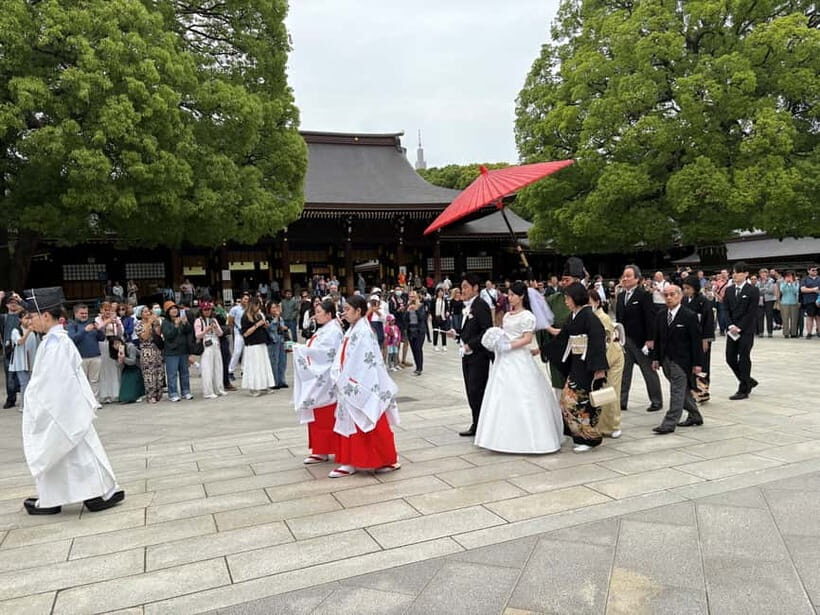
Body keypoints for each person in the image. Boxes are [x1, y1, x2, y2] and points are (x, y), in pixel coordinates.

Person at [20, 287, 124, 515]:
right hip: (63, 410)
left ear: (46, 316)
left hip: (61, 411)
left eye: (32, 316)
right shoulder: (54, 341)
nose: (30, 321)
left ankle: (92, 494)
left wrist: (38, 403)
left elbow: (54, 384)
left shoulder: (56, 344)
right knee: (73, 455)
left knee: (70, 453)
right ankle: (71, 496)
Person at [474, 282, 563, 454]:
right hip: (504, 359)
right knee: (501, 394)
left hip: (519, 356)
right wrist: (497, 340)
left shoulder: (527, 316)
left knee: (525, 395)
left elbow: (527, 339)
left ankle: (531, 438)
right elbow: (504, 332)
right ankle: (499, 437)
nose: (510, 297)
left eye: (513, 294)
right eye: (509, 294)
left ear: (522, 296)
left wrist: (509, 346)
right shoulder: (507, 315)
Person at [328, 295, 400, 478]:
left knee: (370, 418)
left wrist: (348, 378)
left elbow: (365, 361)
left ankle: (385, 459)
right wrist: (338, 372)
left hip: (361, 381)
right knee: (351, 421)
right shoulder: (352, 329)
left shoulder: (364, 331)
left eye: (347, 309)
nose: (344, 313)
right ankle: (349, 460)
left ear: (358, 311)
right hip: (348, 379)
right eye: (343, 309)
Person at [555, 282, 609, 452]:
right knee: (567, 401)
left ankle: (589, 438)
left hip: (588, 365)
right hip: (576, 362)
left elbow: (598, 341)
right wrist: (543, 348)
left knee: (580, 402)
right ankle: (578, 435)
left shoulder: (590, 317)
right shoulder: (573, 316)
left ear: (576, 298)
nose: (566, 301)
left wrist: (599, 368)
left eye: (568, 298)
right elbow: (563, 336)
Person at [292, 298, 345, 465]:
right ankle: (319, 449)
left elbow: (325, 353)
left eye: (319, 312)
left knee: (326, 415)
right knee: (317, 414)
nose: (316, 315)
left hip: (326, 378)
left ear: (329, 314)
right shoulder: (326, 329)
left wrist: (300, 349)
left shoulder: (333, 331)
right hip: (320, 378)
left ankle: (327, 449)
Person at [650, 285, 704, 434]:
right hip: (666, 359)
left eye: (672, 294)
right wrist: (655, 358)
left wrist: (698, 363)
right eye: (666, 295)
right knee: (682, 391)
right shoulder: (661, 315)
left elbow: (696, 341)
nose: (668, 297)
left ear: (680, 296)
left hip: (682, 361)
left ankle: (669, 423)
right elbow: (658, 338)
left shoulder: (689, 316)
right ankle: (695, 415)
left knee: (676, 391)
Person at [450, 274, 493, 437]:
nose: (463, 290)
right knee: (470, 390)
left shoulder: (480, 305)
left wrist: (471, 344)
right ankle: (477, 422)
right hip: (467, 355)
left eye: (466, 287)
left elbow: (486, 331)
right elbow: (469, 329)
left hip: (478, 356)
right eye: (462, 288)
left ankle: (480, 424)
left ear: (475, 288)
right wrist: (457, 334)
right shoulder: (467, 306)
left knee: (477, 390)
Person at [616, 265, 663, 412]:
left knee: (648, 370)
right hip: (625, 339)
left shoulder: (644, 295)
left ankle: (656, 400)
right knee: (624, 372)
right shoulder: (621, 296)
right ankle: (622, 401)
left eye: (629, 276)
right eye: (624, 276)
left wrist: (650, 339)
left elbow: (650, 318)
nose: (625, 278)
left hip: (641, 339)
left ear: (637, 279)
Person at [589, 289, 624, 439]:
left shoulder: (602, 317)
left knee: (612, 391)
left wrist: (601, 365)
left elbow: (606, 342)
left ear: (597, 302)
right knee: (602, 392)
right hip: (602, 357)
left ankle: (613, 425)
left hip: (612, 356)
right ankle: (601, 425)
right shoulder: (592, 316)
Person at [725, 261, 760, 400]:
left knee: (744, 357)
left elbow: (751, 312)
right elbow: (725, 309)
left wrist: (740, 327)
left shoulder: (752, 290)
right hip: (732, 329)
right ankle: (748, 380)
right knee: (730, 357)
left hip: (745, 330)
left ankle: (743, 388)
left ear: (746, 274)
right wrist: (730, 325)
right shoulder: (729, 290)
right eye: (733, 272)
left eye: (738, 272)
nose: (734, 275)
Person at [681, 277, 715, 403]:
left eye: (688, 288)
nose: (685, 291)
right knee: (690, 365)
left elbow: (708, 321)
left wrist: (706, 339)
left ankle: (702, 392)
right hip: (688, 338)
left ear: (695, 288)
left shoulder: (703, 301)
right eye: (684, 288)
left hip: (701, 337)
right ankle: (691, 391)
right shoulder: (683, 300)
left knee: (702, 365)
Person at [67, 303, 106, 403]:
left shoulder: (92, 324)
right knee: (81, 381)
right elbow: (72, 339)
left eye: (86, 313)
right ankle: (83, 402)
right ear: (75, 314)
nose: (84, 315)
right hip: (81, 357)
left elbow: (101, 338)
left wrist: (99, 330)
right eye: (82, 313)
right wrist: (84, 330)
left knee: (95, 380)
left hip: (95, 356)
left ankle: (95, 401)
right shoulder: (72, 325)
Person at [240, 297, 276, 396]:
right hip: (252, 345)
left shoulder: (259, 315)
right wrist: (257, 325)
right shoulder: (245, 317)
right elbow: (245, 333)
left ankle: (265, 385)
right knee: (254, 366)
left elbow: (262, 326)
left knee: (263, 365)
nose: (258, 308)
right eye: (257, 305)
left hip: (261, 343)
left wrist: (264, 325)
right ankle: (254, 387)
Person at [9, 310, 39, 413]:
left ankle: (32, 404)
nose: (29, 321)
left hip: (33, 361)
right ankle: (23, 406)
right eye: (26, 318)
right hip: (21, 362)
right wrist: (28, 332)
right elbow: (20, 342)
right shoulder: (16, 330)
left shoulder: (35, 331)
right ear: (20, 319)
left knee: (34, 384)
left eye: (30, 318)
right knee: (24, 384)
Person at [194, 301, 226, 399]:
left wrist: (216, 328)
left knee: (218, 367)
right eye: (205, 309)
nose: (207, 311)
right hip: (206, 345)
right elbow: (197, 335)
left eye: (209, 309)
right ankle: (208, 391)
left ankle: (219, 389)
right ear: (201, 310)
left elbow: (220, 333)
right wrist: (206, 330)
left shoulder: (214, 320)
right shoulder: (198, 321)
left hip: (215, 344)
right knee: (207, 369)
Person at [161, 302, 192, 402]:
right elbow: (168, 335)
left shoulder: (181, 319)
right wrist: (175, 325)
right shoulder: (165, 323)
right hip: (171, 352)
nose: (174, 310)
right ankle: (173, 393)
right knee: (172, 374)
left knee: (185, 373)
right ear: (167, 311)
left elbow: (188, 331)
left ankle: (186, 391)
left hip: (183, 351)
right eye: (171, 309)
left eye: (175, 308)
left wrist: (186, 323)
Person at [135, 305, 164, 404]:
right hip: (146, 351)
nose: (147, 313)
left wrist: (156, 323)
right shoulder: (138, 324)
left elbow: (159, 334)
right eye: (145, 312)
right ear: (141, 314)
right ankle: (150, 395)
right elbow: (144, 337)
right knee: (149, 374)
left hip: (156, 350)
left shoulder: (154, 322)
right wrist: (149, 323)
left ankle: (158, 393)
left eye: (148, 312)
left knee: (159, 373)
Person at [95, 301, 124, 404]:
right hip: (103, 344)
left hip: (114, 343)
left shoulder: (117, 319)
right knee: (104, 369)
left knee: (114, 368)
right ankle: (105, 394)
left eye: (110, 310)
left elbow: (121, 333)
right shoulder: (97, 320)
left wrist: (118, 324)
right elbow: (98, 329)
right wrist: (107, 321)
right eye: (105, 310)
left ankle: (116, 393)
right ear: (101, 310)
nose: (107, 312)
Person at [1, 293, 24, 409]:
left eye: (16, 303)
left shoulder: (23, 317)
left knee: (24, 375)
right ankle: (11, 398)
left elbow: (31, 309)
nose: (13, 305)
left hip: (22, 349)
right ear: (6, 305)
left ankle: (25, 398)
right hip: (8, 351)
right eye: (11, 303)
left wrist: (20, 299)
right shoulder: (4, 318)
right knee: (9, 377)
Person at [266, 301, 289, 389]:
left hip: (281, 339)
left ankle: (281, 381)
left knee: (282, 361)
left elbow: (283, 326)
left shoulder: (280, 318)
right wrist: (276, 318)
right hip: (273, 340)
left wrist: (284, 327)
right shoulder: (268, 318)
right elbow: (271, 328)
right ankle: (274, 382)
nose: (275, 309)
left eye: (276, 307)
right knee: (274, 361)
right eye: (272, 308)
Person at [114, 337, 144, 404]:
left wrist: (124, 358)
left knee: (133, 380)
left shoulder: (130, 347)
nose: (117, 346)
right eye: (114, 344)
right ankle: (125, 397)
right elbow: (118, 366)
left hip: (136, 367)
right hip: (126, 369)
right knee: (125, 381)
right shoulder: (115, 352)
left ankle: (136, 396)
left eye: (118, 343)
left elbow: (132, 361)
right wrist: (120, 361)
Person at [227, 292, 250, 379]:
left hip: (248, 332)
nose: (246, 301)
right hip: (238, 332)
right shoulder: (235, 309)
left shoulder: (249, 309)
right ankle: (230, 370)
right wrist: (234, 329)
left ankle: (244, 370)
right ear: (241, 299)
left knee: (246, 352)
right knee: (237, 351)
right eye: (245, 299)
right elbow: (230, 321)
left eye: (247, 299)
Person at [406, 289, 428, 375]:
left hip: (419, 331)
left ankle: (419, 368)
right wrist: (407, 311)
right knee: (413, 349)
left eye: (413, 296)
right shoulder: (407, 306)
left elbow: (422, 318)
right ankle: (417, 367)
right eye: (410, 296)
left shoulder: (421, 306)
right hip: (410, 330)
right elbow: (405, 319)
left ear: (417, 297)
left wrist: (416, 309)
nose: (412, 298)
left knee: (418, 349)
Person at [779, 271, 801, 338]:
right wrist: (786, 283)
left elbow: (796, 291)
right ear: (785, 277)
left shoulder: (796, 283)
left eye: (790, 276)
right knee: (785, 319)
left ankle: (793, 333)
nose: (789, 277)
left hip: (794, 302)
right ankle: (786, 333)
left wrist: (792, 283)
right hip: (784, 303)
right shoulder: (782, 283)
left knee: (794, 319)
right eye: (787, 276)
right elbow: (782, 290)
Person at [800, 265, 820, 338]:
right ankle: (809, 333)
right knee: (810, 317)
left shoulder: (819, 278)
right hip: (809, 301)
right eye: (813, 270)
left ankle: (819, 332)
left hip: (819, 301)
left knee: (818, 317)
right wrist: (814, 289)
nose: (815, 271)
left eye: (816, 270)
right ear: (808, 271)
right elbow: (803, 289)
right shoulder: (804, 279)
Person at [756, 269, 777, 337]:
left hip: (769, 300)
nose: (763, 275)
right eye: (762, 274)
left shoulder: (771, 281)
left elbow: (771, 290)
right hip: (760, 300)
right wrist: (765, 289)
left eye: (764, 274)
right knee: (760, 316)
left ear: (767, 274)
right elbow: (756, 290)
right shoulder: (758, 281)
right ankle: (761, 332)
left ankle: (770, 332)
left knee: (769, 316)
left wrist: (762, 289)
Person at [431, 287, 450, 351]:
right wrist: (431, 316)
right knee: (435, 332)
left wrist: (447, 312)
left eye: (442, 292)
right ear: (437, 292)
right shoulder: (434, 300)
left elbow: (447, 308)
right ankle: (435, 345)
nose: (441, 293)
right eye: (439, 292)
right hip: (436, 317)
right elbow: (431, 309)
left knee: (443, 332)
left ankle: (444, 345)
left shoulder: (445, 300)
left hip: (443, 318)